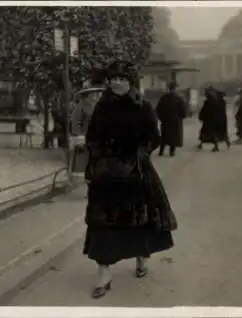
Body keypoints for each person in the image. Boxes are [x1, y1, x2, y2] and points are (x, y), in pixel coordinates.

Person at [83, 60, 177, 299]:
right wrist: (96, 159)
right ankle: (104, 274)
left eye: (121, 78)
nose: (116, 82)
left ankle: (141, 258)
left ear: (130, 81)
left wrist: (138, 155)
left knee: (138, 220)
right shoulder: (101, 107)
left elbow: (154, 139)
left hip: (135, 173)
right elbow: (91, 136)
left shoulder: (143, 107)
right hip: (105, 174)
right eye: (113, 78)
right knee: (102, 224)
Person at [155, 81, 187, 156]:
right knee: (174, 137)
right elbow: (182, 111)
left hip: (165, 121)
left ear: (169, 88)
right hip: (175, 121)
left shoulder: (163, 98)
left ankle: (161, 151)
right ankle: (172, 152)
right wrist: (181, 117)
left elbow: (158, 109)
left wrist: (161, 118)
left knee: (164, 136)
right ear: (175, 88)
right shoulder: (178, 98)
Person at [197, 86, 230, 152]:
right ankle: (226, 142)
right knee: (220, 133)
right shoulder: (220, 101)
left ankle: (215, 146)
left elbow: (205, 110)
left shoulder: (209, 101)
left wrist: (201, 116)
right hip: (220, 119)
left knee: (210, 133)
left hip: (210, 120)